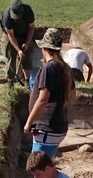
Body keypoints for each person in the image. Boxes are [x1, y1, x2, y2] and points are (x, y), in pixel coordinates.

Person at [25, 28, 75, 157]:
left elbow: (43, 99)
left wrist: (29, 122)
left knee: (37, 166)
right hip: (57, 127)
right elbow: (72, 94)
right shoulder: (65, 68)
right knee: (45, 165)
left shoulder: (49, 68)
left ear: (44, 48)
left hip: (47, 130)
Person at [0, 0, 35, 87]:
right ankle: (10, 80)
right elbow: (11, 35)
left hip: (25, 32)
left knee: (28, 54)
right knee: (10, 54)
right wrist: (19, 50)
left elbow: (31, 28)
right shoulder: (7, 16)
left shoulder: (28, 11)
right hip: (10, 34)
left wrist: (27, 43)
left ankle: (27, 80)